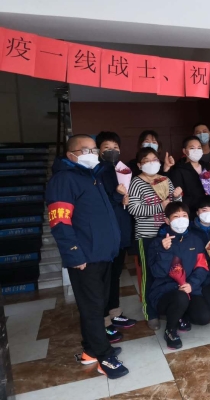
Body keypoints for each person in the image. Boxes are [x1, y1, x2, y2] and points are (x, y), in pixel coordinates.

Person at [45, 134, 128, 379]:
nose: (93, 154)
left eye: (94, 150)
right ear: (71, 155)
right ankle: (104, 356)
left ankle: (91, 350)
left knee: (97, 304)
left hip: (102, 254)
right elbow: (60, 222)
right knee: (92, 308)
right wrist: (74, 254)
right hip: (85, 257)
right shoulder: (64, 180)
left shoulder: (92, 176)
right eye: (86, 150)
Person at [127, 147, 183, 330]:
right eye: (146, 160)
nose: (151, 163)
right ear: (139, 165)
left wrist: (177, 197)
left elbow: (176, 207)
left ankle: (169, 307)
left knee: (171, 271)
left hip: (168, 233)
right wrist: (160, 206)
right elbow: (134, 209)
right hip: (147, 236)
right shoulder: (136, 182)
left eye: (154, 159)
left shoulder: (165, 179)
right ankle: (150, 312)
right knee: (149, 274)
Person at [147, 203, 208, 350]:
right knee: (180, 298)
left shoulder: (195, 240)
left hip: (189, 289)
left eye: (184, 216)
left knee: (203, 317)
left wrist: (192, 284)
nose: (181, 219)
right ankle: (170, 330)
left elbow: (202, 266)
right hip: (165, 292)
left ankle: (181, 314)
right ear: (167, 221)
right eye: (176, 216)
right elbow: (157, 273)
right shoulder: (157, 243)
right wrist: (164, 251)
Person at [96, 132, 137, 343]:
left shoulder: (122, 169)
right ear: (98, 150)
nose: (112, 151)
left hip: (121, 232)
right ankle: (103, 321)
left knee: (115, 276)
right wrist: (117, 195)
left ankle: (114, 312)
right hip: (106, 233)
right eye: (107, 147)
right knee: (103, 279)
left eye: (115, 147)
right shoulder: (96, 172)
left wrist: (126, 198)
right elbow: (99, 203)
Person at [169, 135, 210, 221]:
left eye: (199, 148)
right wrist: (200, 207)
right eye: (192, 148)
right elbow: (178, 197)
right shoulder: (178, 170)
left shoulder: (207, 167)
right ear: (184, 151)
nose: (196, 150)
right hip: (193, 217)